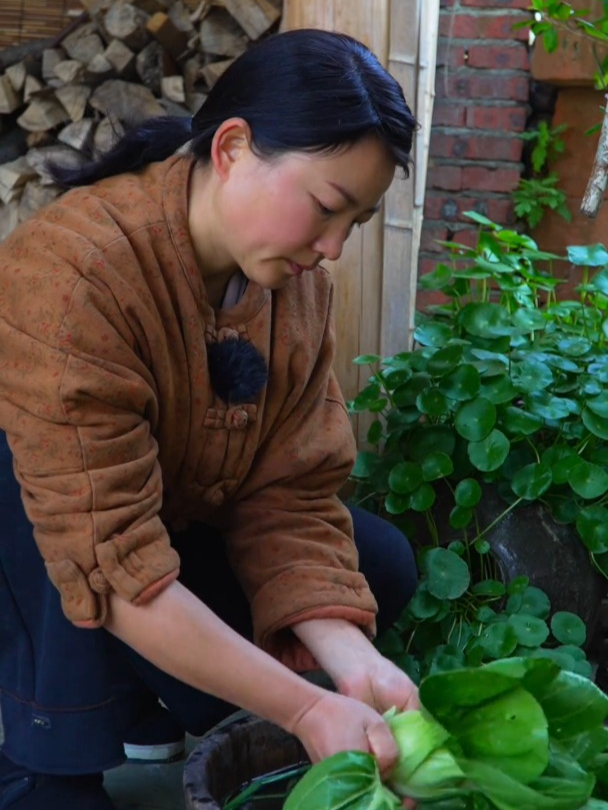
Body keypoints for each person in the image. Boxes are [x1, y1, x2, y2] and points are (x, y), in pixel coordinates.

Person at [0, 27, 419, 810]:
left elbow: (293, 491)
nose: (332, 249)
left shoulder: (296, 292)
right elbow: (108, 554)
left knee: (382, 562)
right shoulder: (73, 270)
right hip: (46, 533)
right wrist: (301, 704)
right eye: (327, 207)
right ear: (231, 148)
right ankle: (46, 743)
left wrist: (353, 661)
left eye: (355, 223)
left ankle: (156, 684)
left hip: (167, 515)